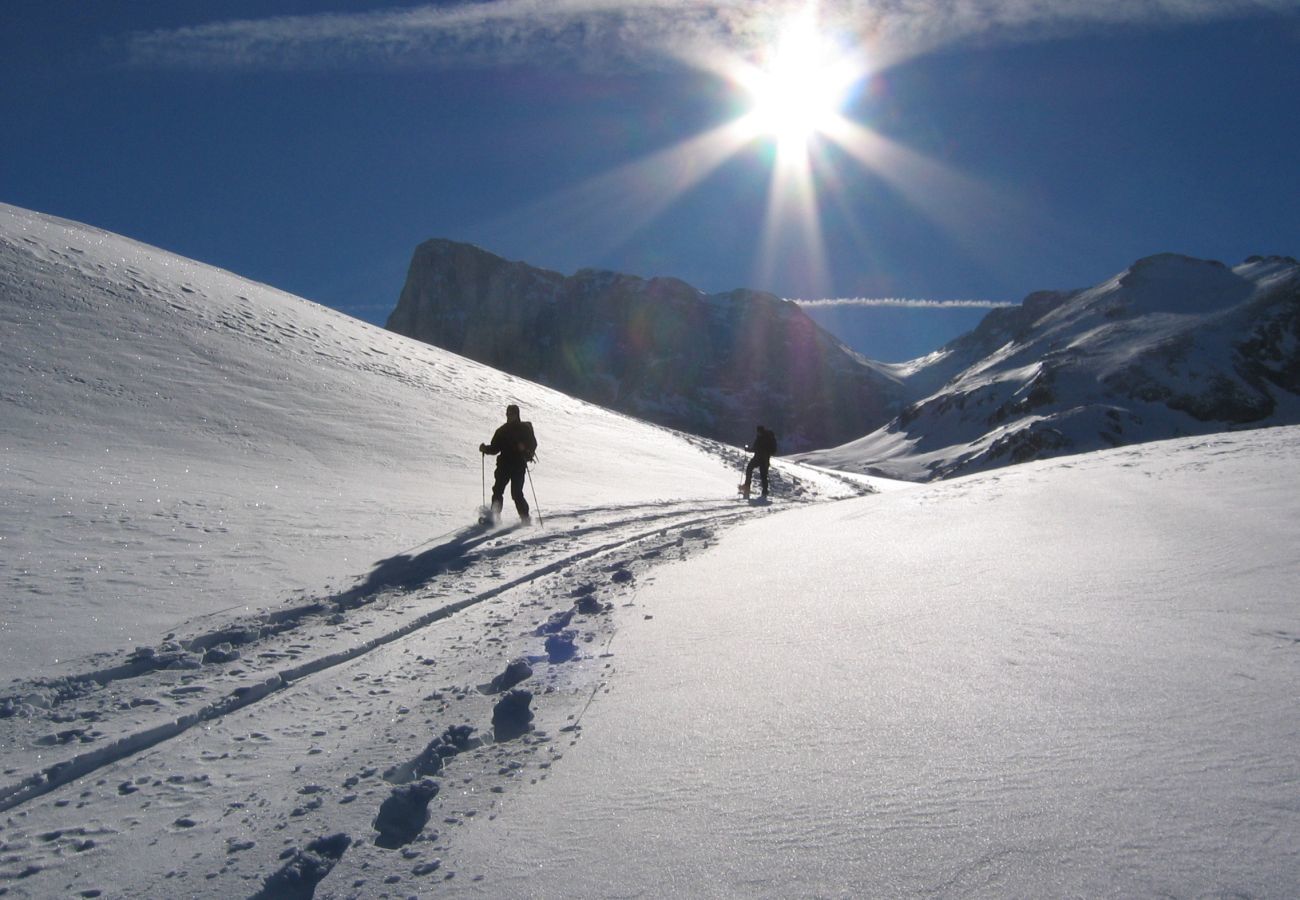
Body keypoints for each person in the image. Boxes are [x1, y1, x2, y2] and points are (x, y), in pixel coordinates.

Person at [479, 404, 538, 523]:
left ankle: (525, 519)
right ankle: (494, 518)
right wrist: (485, 449)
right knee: (498, 490)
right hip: (504, 465)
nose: (509, 416)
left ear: (517, 414)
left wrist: (526, 449)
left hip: (518, 466)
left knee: (516, 493)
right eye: (508, 413)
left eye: (512, 414)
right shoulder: (501, 431)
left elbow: (533, 444)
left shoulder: (524, 429)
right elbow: (495, 448)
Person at [740, 425, 778, 498]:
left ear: (760, 431)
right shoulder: (763, 438)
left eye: (758, 431)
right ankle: (764, 491)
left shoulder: (762, 438)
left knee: (750, 469)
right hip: (764, 459)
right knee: (763, 475)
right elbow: (757, 448)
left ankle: (747, 487)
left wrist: (748, 449)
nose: (757, 433)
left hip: (759, 458)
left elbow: (755, 448)